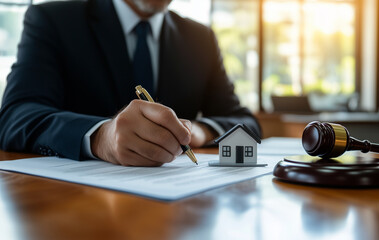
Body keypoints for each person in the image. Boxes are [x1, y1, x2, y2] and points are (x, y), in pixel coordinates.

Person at [0, 0, 261, 166]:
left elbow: (245, 122)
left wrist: (200, 132)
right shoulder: (53, 20)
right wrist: (101, 137)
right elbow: (16, 116)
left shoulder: (200, 38)